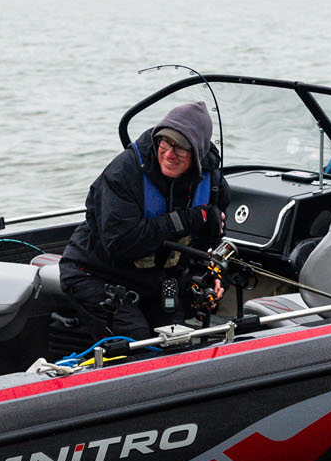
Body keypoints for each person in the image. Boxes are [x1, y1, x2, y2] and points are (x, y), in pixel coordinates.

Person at [59, 100, 229, 343]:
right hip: (96, 274)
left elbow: (212, 242)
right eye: (165, 143)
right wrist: (188, 219)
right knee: (136, 340)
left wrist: (213, 275)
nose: (169, 154)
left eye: (181, 148)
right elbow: (121, 243)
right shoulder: (124, 173)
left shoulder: (213, 185)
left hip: (156, 280)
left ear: (198, 152)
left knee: (176, 340)